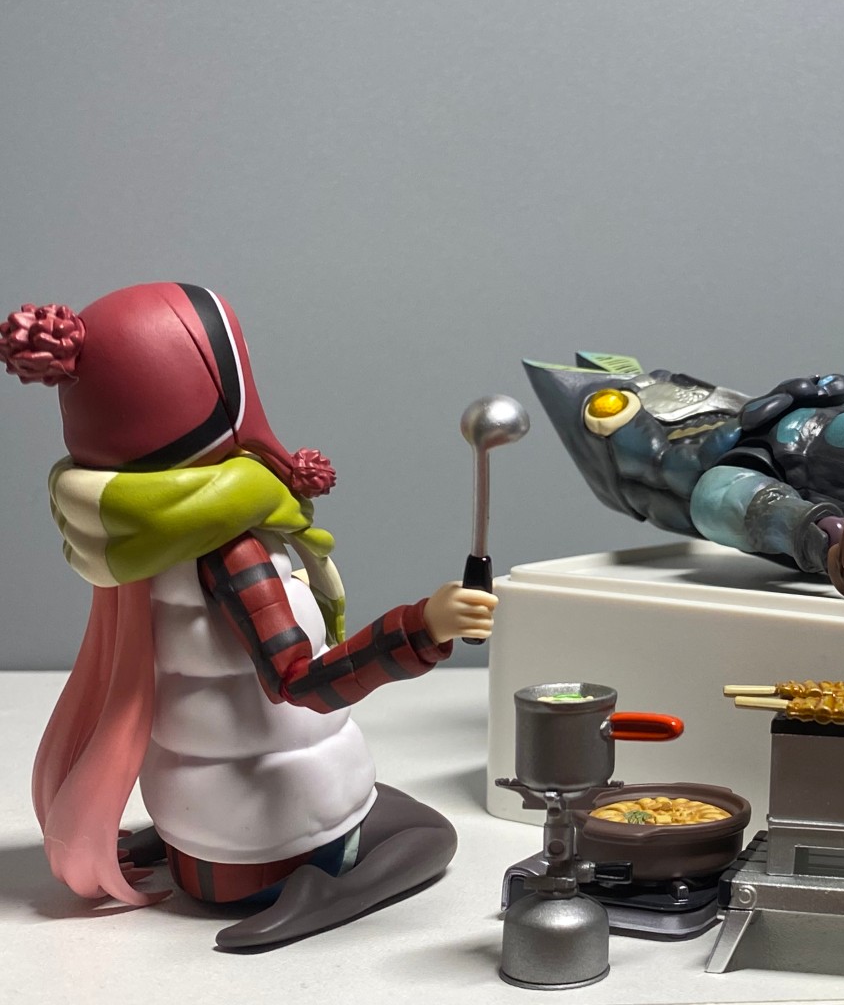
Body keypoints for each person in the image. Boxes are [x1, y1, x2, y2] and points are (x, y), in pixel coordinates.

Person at [1, 282, 495, 949]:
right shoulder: (230, 550)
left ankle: (182, 846)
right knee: (430, 831)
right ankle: (319, 894)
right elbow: (303, 684)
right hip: (275, 851)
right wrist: (424, 627)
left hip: (197, 841)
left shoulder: (134, 544)